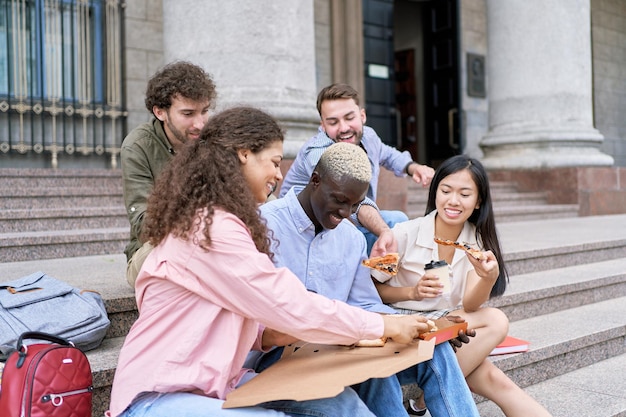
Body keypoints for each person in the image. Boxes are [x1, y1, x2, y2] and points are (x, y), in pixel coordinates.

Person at [107, 106, 435, 417]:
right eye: (275, 162)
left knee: (342, 407)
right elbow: (285, 301)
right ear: (244, 154)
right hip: (155, 398)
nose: (279, 174)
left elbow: (237, 322)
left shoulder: (222, 222)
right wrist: (384, 325)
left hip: (216, 387)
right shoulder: (210, 229)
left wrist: (281, 334)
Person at [255, 142, 480, 417]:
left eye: (354, 205)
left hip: (340, 347)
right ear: (315, 180)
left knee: (435, 351)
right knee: (365, 380)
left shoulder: (350, 238)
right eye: (339, 200)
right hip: (274, 359)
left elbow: (366, 304)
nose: (346, 214)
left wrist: (427, 325)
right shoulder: (262, 225)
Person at [372, 155, 553, 417]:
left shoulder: (476, 240)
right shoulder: (403, 233)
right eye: (446, 190)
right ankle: (426, 394)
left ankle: (422, 397)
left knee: (496, 335)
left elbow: (470, 305)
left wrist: (487, 276)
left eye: (465, 194)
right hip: (402, 324)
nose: (453, 201)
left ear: (478, 201)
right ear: (435, 192)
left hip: (443, 328)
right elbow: (369, 291)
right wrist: (411, 292)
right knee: (491, 369)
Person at [279, 83, 435, 255]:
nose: (344, 128)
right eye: (333, 122)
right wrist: (383, 231)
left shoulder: (369, 136)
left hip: (343, 222)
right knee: (390, 225)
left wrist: (413, 168)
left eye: (349, 118)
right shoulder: (319, 153)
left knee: (398, 223)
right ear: (323, 126)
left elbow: (388, 154)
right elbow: (351, 203)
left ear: (362, 115)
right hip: (306, 233)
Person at [121, 61, 217, 286]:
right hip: (156, 246)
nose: (200, 124)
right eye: (188, 114)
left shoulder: (213, 139)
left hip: (213, 239)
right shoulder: (138, 147)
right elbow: (144, 224)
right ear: (160, 112)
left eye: (204, 112)